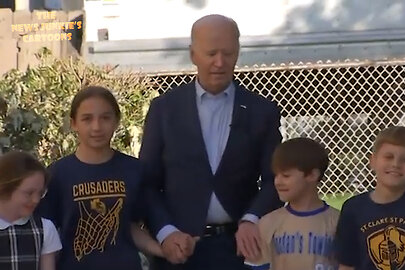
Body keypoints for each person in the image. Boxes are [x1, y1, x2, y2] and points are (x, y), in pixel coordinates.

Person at [139, 14, 283, 270]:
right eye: (211, 53)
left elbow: (276, 180)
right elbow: (147, 184)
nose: (220, 62)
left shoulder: (262, 111)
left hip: (241, 250)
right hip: (180, 251)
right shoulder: (165, 110)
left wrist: (252, 219)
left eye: (228, 53)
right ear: (193, 55)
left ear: (238, 52)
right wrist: (166, 233)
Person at [38, 85, 163, 270]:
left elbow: (129, 227)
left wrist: (163, 250)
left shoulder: (134, 170)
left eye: (105, 118)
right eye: (87, 119)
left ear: (116, 121)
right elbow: (46, 237)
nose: (96, 127)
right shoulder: (57, 174)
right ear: (74, 123)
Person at [335, 126, 405, 270]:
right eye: (388, 157)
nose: (395, 164)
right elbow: (347, 263)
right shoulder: (353, 208)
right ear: (372, 161)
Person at [244, 138, 338, 270]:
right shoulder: (267, 223)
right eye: (276, 175)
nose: (278, 182)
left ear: (312, 175)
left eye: (286, 176)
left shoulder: (338, 222)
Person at [0, 151, 62, 270]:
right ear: (5, 188)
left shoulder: (45, 229)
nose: (36, 200)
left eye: (40, 193)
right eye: (29, 193)